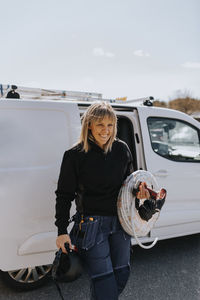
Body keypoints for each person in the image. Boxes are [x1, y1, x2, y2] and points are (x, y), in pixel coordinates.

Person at [55, 101, 148, 300]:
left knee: (121, 275)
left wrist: (140, 192)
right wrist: (62, 231)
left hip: (121, 224)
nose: (106, 131)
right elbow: (63, 196)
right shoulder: (74, 156)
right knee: (105, 283)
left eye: (110, 125)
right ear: (89, 125)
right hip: (91, 226)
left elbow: (130, 184)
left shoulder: (122, 149)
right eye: (100, 125)